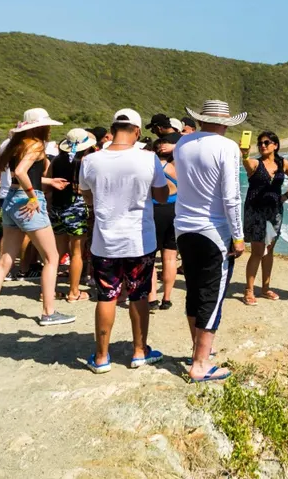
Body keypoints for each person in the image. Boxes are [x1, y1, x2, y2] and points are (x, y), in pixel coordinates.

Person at [79, 109, 167, 373]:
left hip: (105, 240)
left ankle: (102, 356)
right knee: (139, 294)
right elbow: (161, 197)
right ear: (138, 131)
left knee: (106, 296)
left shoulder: (91, 160)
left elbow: (87, 197)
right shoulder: (149, 159)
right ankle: (139, 352)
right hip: (140, 241)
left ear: (113, 128)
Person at [0, 108, 74, 329]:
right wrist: (33, 196)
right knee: (51, 258)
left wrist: (49, 182)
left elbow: (18, 176)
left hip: (11, 199)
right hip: (26, 200)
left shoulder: (16, 145)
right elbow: (21, 172)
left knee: (5, 261)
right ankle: (48, 312)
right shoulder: (36, 145)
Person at [173, 100, 247, 382]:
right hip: (214, 230)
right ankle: (201, 363)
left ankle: (199, 350)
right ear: (226, 122)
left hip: (184, 228)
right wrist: (238, 236)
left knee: (193, 290)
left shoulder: (183, 144)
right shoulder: (226, 147)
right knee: (212, 296)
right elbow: (231, 196)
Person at [240, 131, 288, 305]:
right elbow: (246, 161)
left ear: (275, 144)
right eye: (260, 143)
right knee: (258, 251)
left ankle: (265, 288)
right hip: (256, 211)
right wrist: (244, 152)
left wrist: (286, 196)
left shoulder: (283, 164)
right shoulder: (254, 164)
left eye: (266, 142)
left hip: (274, 212)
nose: (262, 146)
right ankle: (249, 290)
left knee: (269, 250)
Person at [50, 128, 97, 302]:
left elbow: (49, 184)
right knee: (76, 252)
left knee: (57, 252)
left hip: (57, 207)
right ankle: (74, 291)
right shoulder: (85, 161)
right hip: (76, 208)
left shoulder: (56, 160)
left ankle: (49, 290)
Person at [148, 132, 180, 310]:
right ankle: (166, 298)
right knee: (170, 257)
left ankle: (152, 297)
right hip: (174, 211)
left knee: (151, 257)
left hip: (155, 211)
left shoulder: (151, 168)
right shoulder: (176, 168)